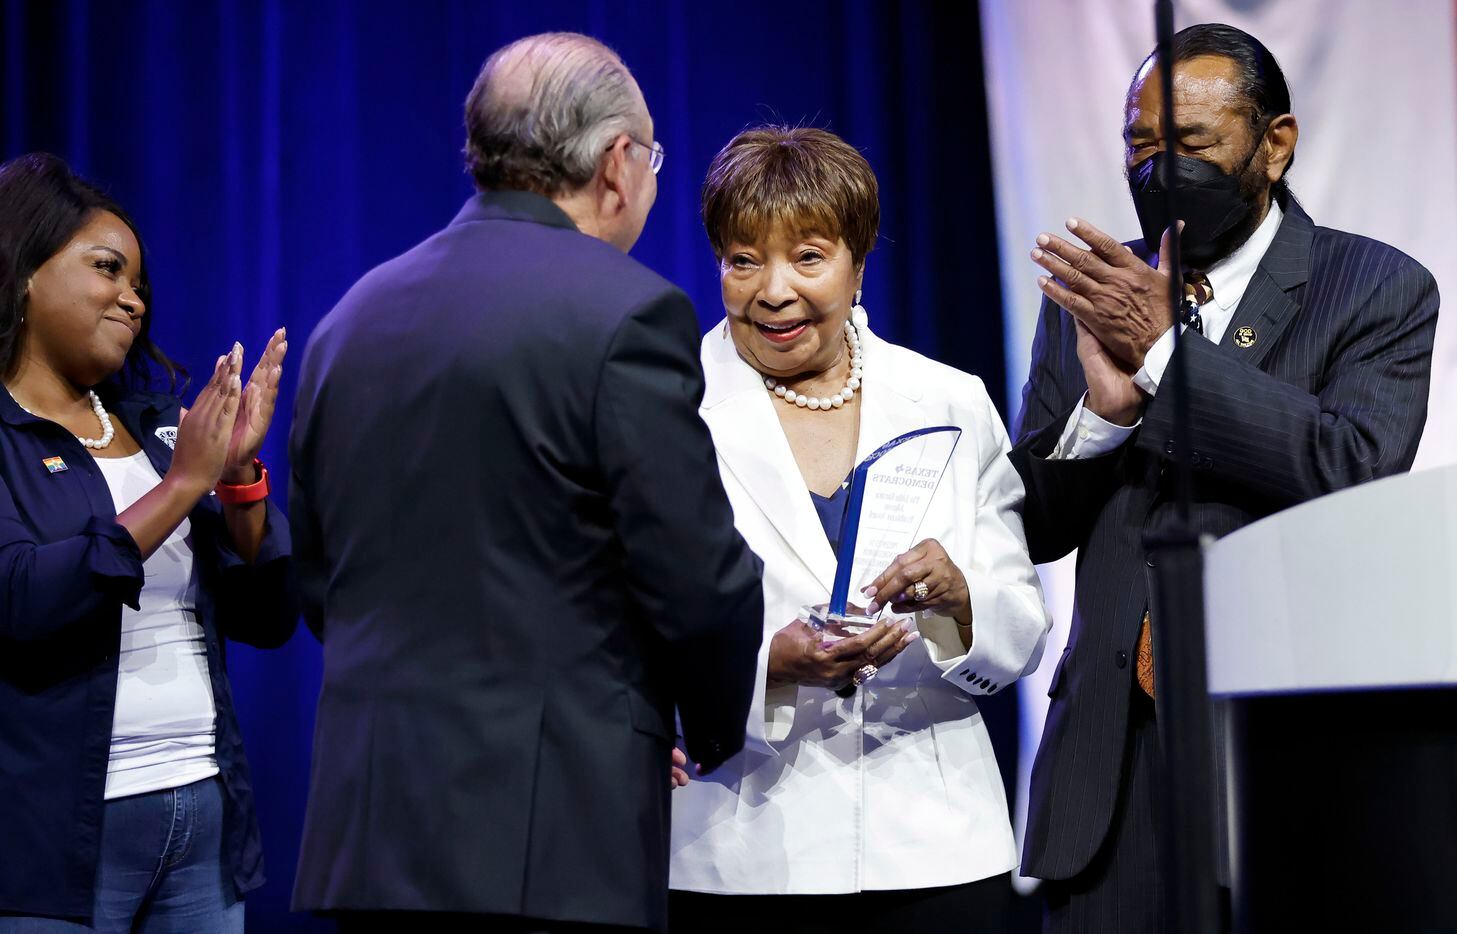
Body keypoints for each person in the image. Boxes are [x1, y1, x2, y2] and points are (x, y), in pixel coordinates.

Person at [289, 32, 764, 933]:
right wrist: (706, 732)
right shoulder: (626, 313)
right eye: (651, 156)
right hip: (552, 842)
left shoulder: (348, 320)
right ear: (618, 164)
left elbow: (320, 584)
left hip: (371, 834)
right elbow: (697, 579)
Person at [1013, 24, 1438, 933]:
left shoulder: (1374, 287)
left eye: (1194, 146)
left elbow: (1350, 466)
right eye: (1140, 145)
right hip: (1110, 774)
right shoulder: (1100, 292)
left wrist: (1169, 357)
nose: (1161, 168)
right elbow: (1032, 527)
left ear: (1273, 144)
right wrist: (1104, 416)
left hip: (1288, 757)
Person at [667, 126, 1052, 933]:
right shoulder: (666, 408)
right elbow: (616, 628)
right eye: (743, 260)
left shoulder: (947, 399)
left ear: (858, 260)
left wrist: (958, 604)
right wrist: (766, 665)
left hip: (936, 850)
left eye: (807, 257)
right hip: (737, 853)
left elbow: (1019, 623)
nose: (772, 291)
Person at [0, 153, 295, 931]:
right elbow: (23, 601)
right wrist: (181, 489)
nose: (132, 300)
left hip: (202, 814)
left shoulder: (159, 428)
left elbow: (266, 617)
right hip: (53, 845)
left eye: (138, 286)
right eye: (107, 270)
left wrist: (234, 481)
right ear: (25, 271)